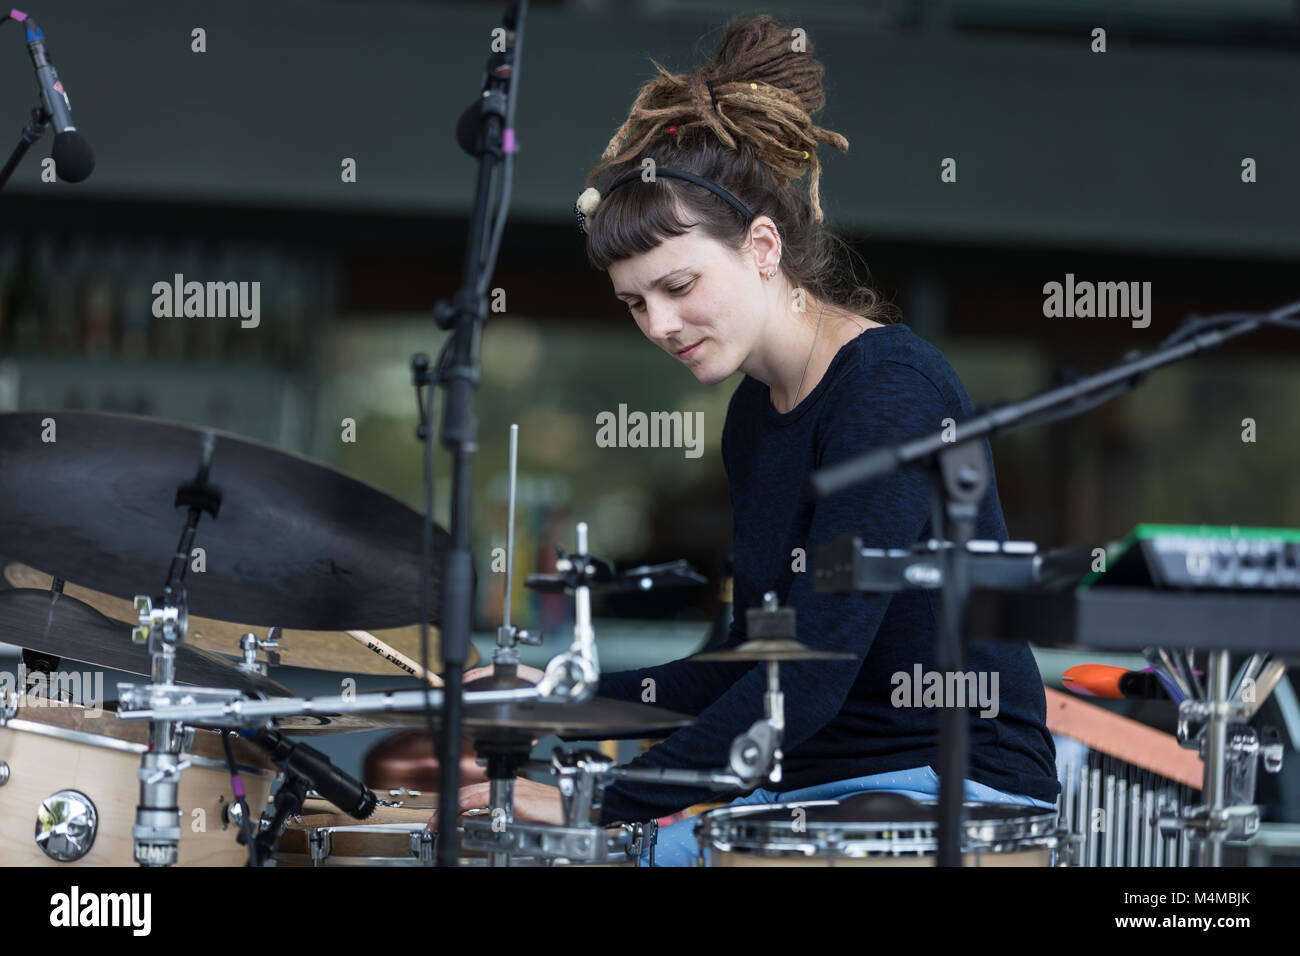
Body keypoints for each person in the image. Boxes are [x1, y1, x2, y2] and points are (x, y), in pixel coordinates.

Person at [437, 14, 1060, 866]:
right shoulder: (756, 413)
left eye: (679, 285)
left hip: (939, 791)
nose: (659, 324)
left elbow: (806, 680)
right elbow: (752, 659)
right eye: (634, 303)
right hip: (809, 790)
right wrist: (548, 697)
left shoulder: (889, 391)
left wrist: (608, 802)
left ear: (764, 247)